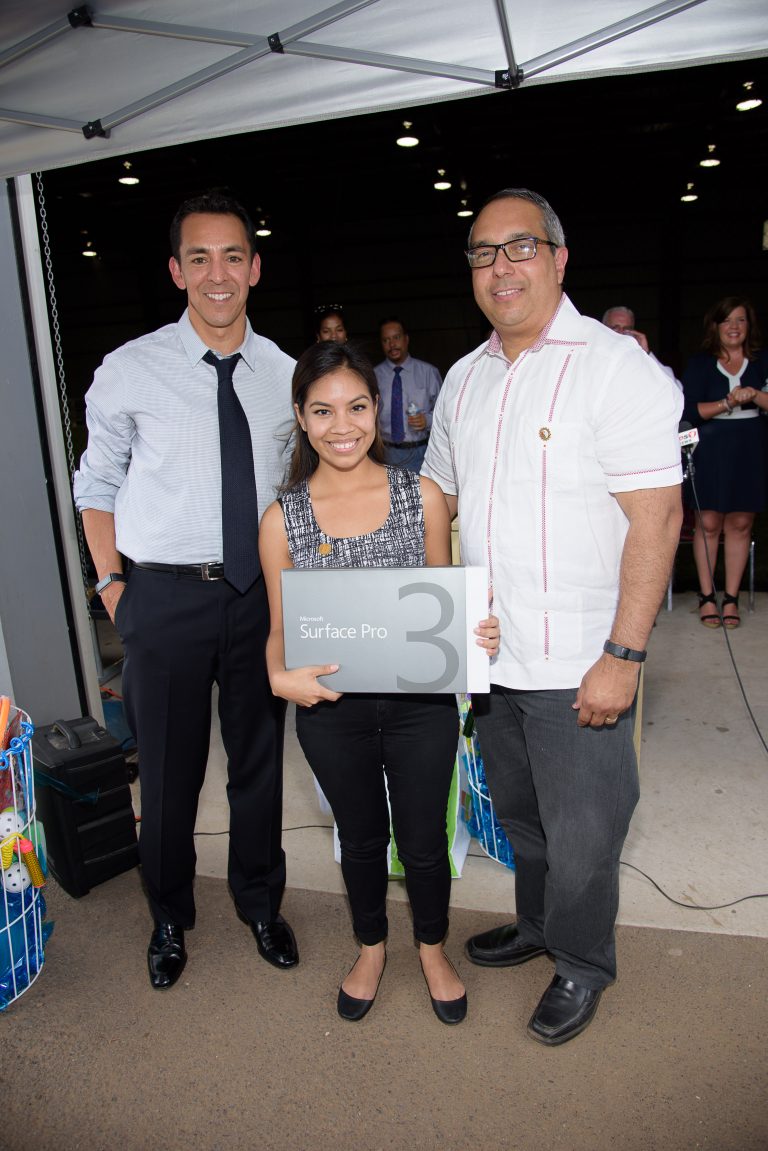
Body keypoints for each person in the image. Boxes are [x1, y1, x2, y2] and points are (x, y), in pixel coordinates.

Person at [422, 187, 683, 1046]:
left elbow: (657, 517)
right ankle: (536, 925)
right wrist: (439, 610)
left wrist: (624, 653)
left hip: (580, 664)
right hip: (494, 660)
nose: (501, 267)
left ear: (560, 258)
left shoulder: (617, 368)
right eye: (483, 251)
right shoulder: (463, 377)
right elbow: (439, 492)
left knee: (585, 833)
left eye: (521, 247)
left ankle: (581, 960)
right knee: (520, 817)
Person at [73, 191, 300, 990]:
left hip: (257, 597)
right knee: (168, 775)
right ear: (176, 271)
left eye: (232, 255)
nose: (217, 273)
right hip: (161, 599)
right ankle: (169, 914)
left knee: (259, 764)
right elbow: (95, 483)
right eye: (198, 257)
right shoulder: (130, 368)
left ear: (255, 266)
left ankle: (261, 903)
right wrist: (112, 588)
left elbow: (298, 491)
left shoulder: (284, 374)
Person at [258, 340, 499, 1025]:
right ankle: (371, 946)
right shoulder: (283, 519)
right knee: (360, 837)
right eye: (324, 409)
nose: (344, 424)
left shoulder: (419, 495)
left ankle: (430, 947)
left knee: (423, 837)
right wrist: (280, 676)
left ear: (376, 411)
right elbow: (278, 628)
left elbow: (441, 599)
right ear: (302, 419)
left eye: (357, 406)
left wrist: (474, 634)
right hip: (331, 710)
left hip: (421, 705)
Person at [682, 296, 768, 628]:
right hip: (711, 452)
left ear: (749, 326)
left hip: (750, 451)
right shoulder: (700, 364)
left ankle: (730, 598)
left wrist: (753, 395)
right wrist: (727, 402)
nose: (733, 327)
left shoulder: (761, 361)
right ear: (715, 327)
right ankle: (707, 596)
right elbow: (690, 411)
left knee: (741, 525)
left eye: (740, 320)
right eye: (727, 321)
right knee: (709, 524)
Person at [374, 317, 442, 473]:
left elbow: (445, 413)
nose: (392, 345)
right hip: (386, 453)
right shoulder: (373, 376)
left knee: (421, 496)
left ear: (406, 339)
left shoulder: (428, 372)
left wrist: (427, 420)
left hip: (421, 452)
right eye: (386, 340)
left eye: (396, 338)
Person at [602, 305, 682, 390]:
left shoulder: (639, 359)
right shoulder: (591, 354)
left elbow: (675, 388)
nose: (621, 333)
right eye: (615, 328)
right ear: (602, 329)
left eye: (626, 329)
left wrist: (646, 353)